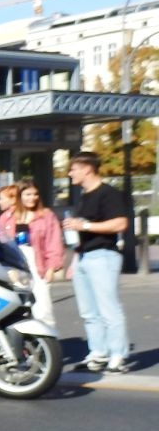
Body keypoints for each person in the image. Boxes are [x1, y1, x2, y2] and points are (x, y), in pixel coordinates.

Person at [63, 151, 130, 373]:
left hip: (103, 255)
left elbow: (120, 223)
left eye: (73, 168)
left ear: (87, 169)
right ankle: (98, 353)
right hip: (84, 256)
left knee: (108, 308)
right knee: (88, 311)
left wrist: (85, 227)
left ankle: (118, 356)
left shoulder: (108, 193)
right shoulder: (84, 196)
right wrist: (75, 258)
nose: (70, 173)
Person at [13, 180, 62, 331]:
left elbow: (54, 242)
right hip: (15, 266)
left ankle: (47, 342)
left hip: (37, 264)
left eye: (35, 194)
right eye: (28, 194)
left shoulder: (46, 216)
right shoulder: (9, 216)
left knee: (43, 307)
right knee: (17, 307)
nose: (32, 198)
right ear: (19, 196)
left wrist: (51, 268)